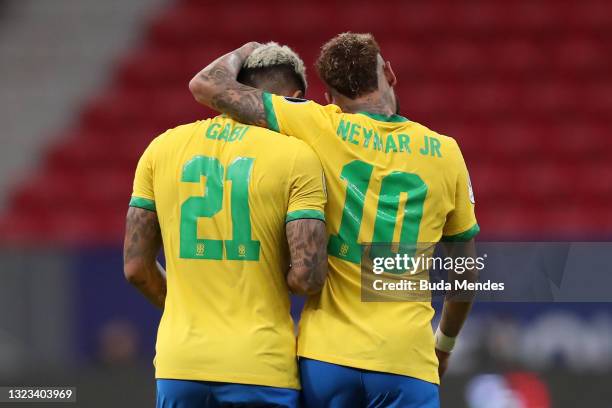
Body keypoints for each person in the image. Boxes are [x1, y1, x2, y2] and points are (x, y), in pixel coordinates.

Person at [189, 33, 480, 408]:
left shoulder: (314, 123)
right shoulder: (445, 152)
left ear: (328, 98)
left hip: (325, 359)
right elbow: (464, 275)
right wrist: (444, 346)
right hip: (404, 358)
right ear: (389, 73)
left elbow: (206, 85)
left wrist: (247, 51)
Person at [123, 43, 328, 408]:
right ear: (295, 99)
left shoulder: (161, 148)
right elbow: (308, 276)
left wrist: (188, 308)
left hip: (179, 365)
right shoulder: (297, 156)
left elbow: (136, 267)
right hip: (261, 366)